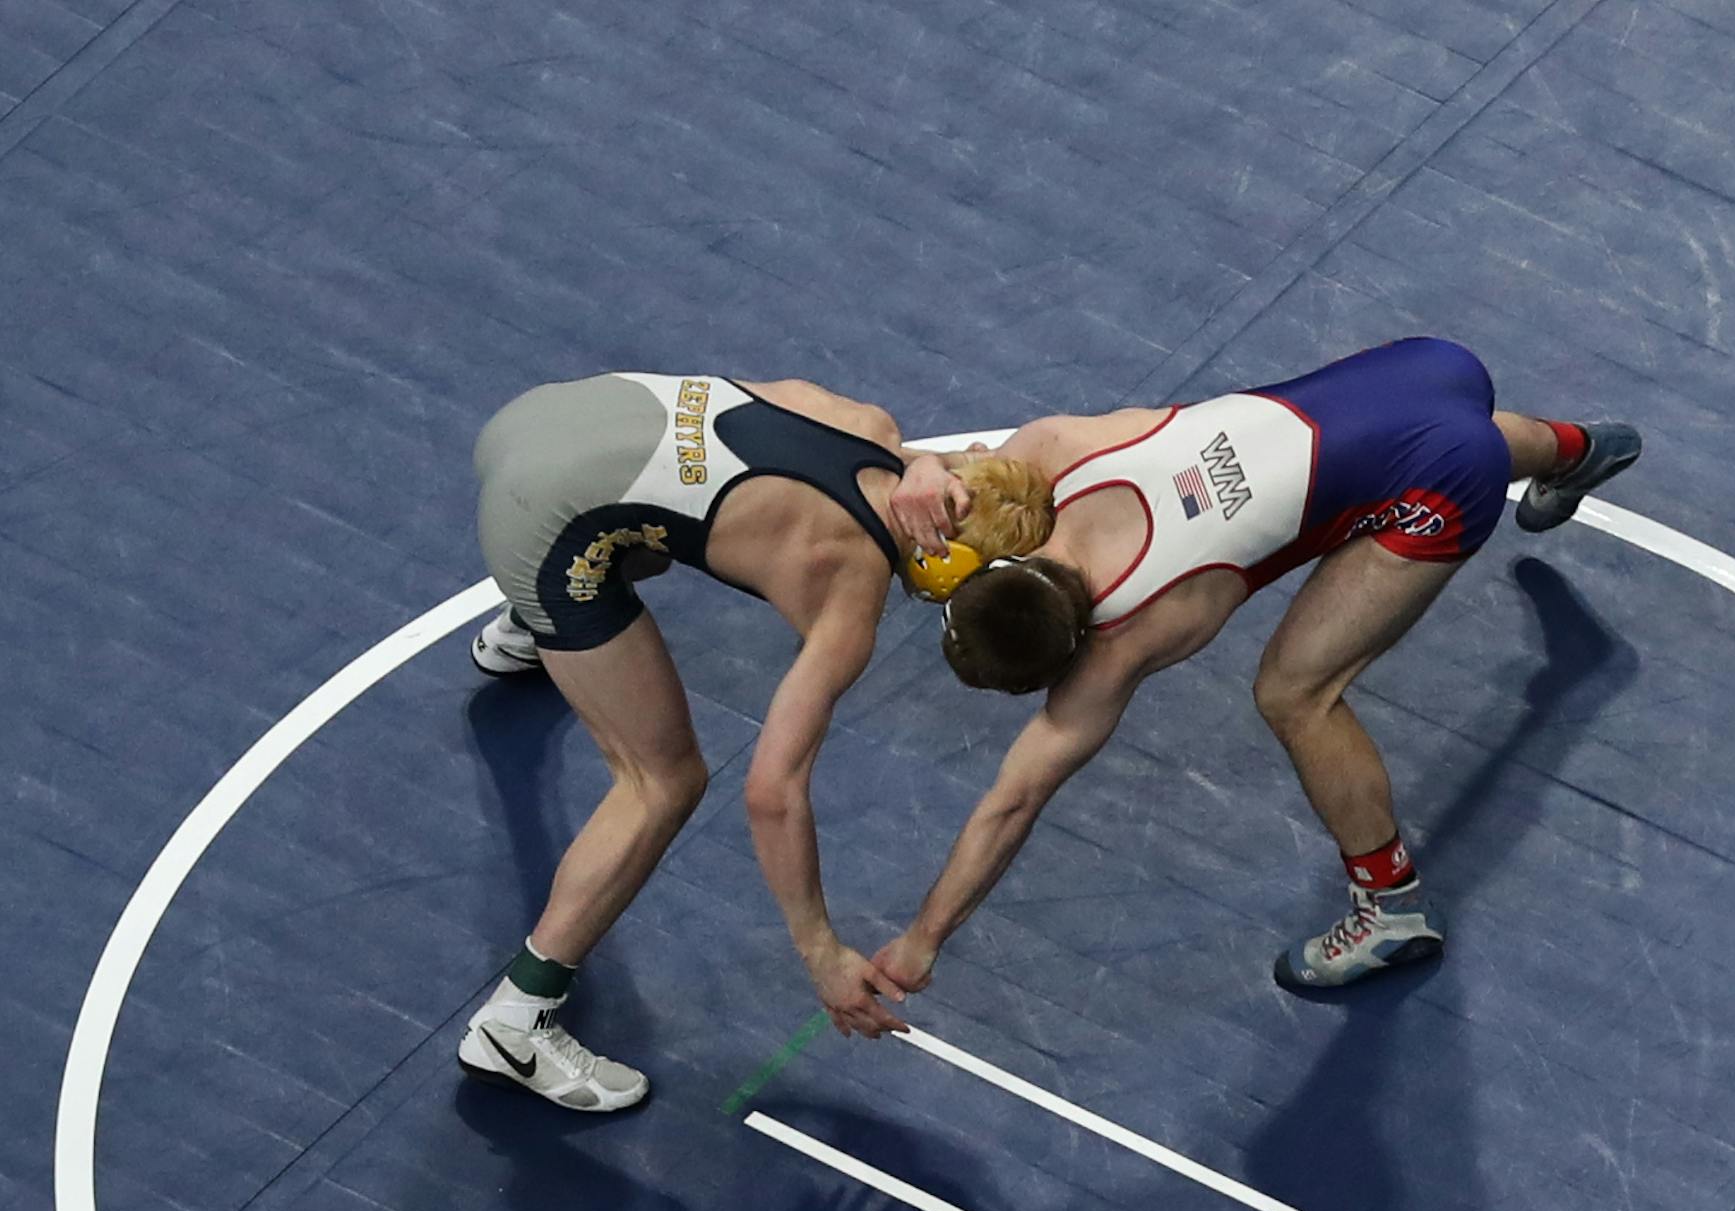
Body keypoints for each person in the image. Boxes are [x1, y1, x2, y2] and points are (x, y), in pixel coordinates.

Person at [869, 337, 1639, 999]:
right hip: (1420, 370)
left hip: (1439, 475)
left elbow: (1015, 799)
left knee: (1295, 693)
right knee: (1436, 436)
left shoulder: (1131, 634)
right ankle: (1577, 447)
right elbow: (921, 464)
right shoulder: (1050, 451)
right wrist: (925, 469)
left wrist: (923, 939)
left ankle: (1392, 909)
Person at [457, 370, 1048, 1110]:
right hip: (536, 521)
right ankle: (516, 1020)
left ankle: (536, 619)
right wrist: (821, 950)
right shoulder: (847, 588)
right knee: (662, 783)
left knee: (657, 520)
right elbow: (772, 792)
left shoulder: (870, 421)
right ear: (943, 561)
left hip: (533, 416)